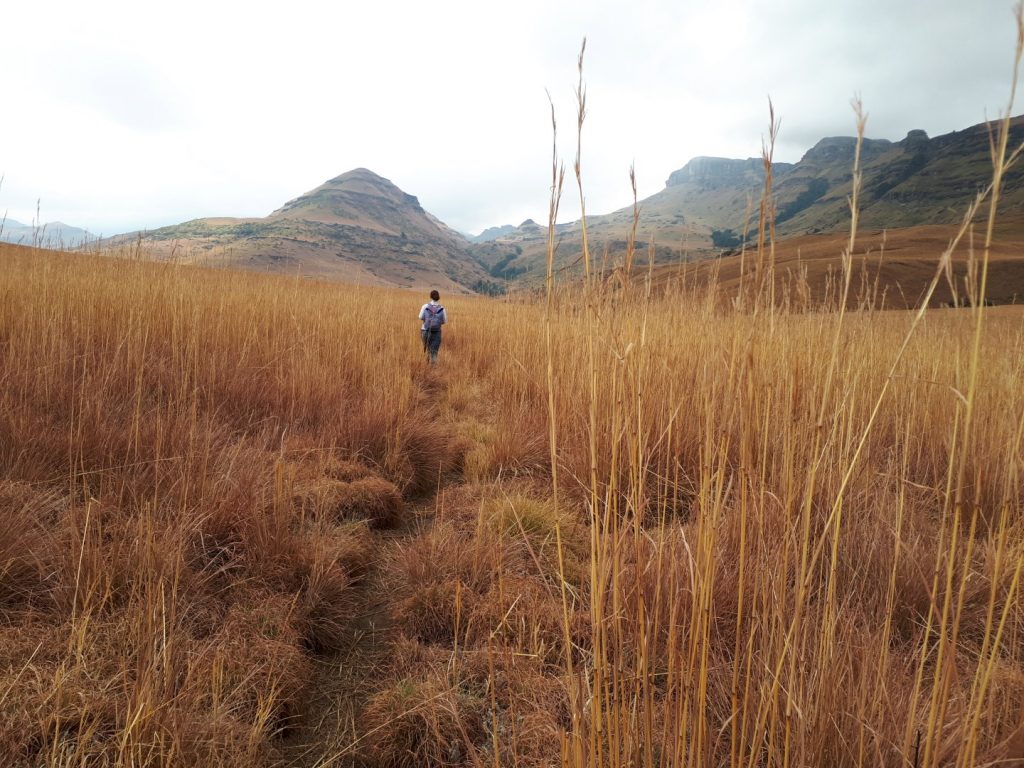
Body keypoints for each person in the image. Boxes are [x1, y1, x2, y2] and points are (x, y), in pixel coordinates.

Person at [418, 289, 447, 365]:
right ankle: (433, 367)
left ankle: (426, 365)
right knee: (434, 351)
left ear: (430, 296)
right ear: (438, 297)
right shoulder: (442, 308)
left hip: (425, 330)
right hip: (437, 332)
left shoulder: (425, 306)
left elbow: (420, 317)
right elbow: (444, 321)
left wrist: (427, 320)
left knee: (426, 348)